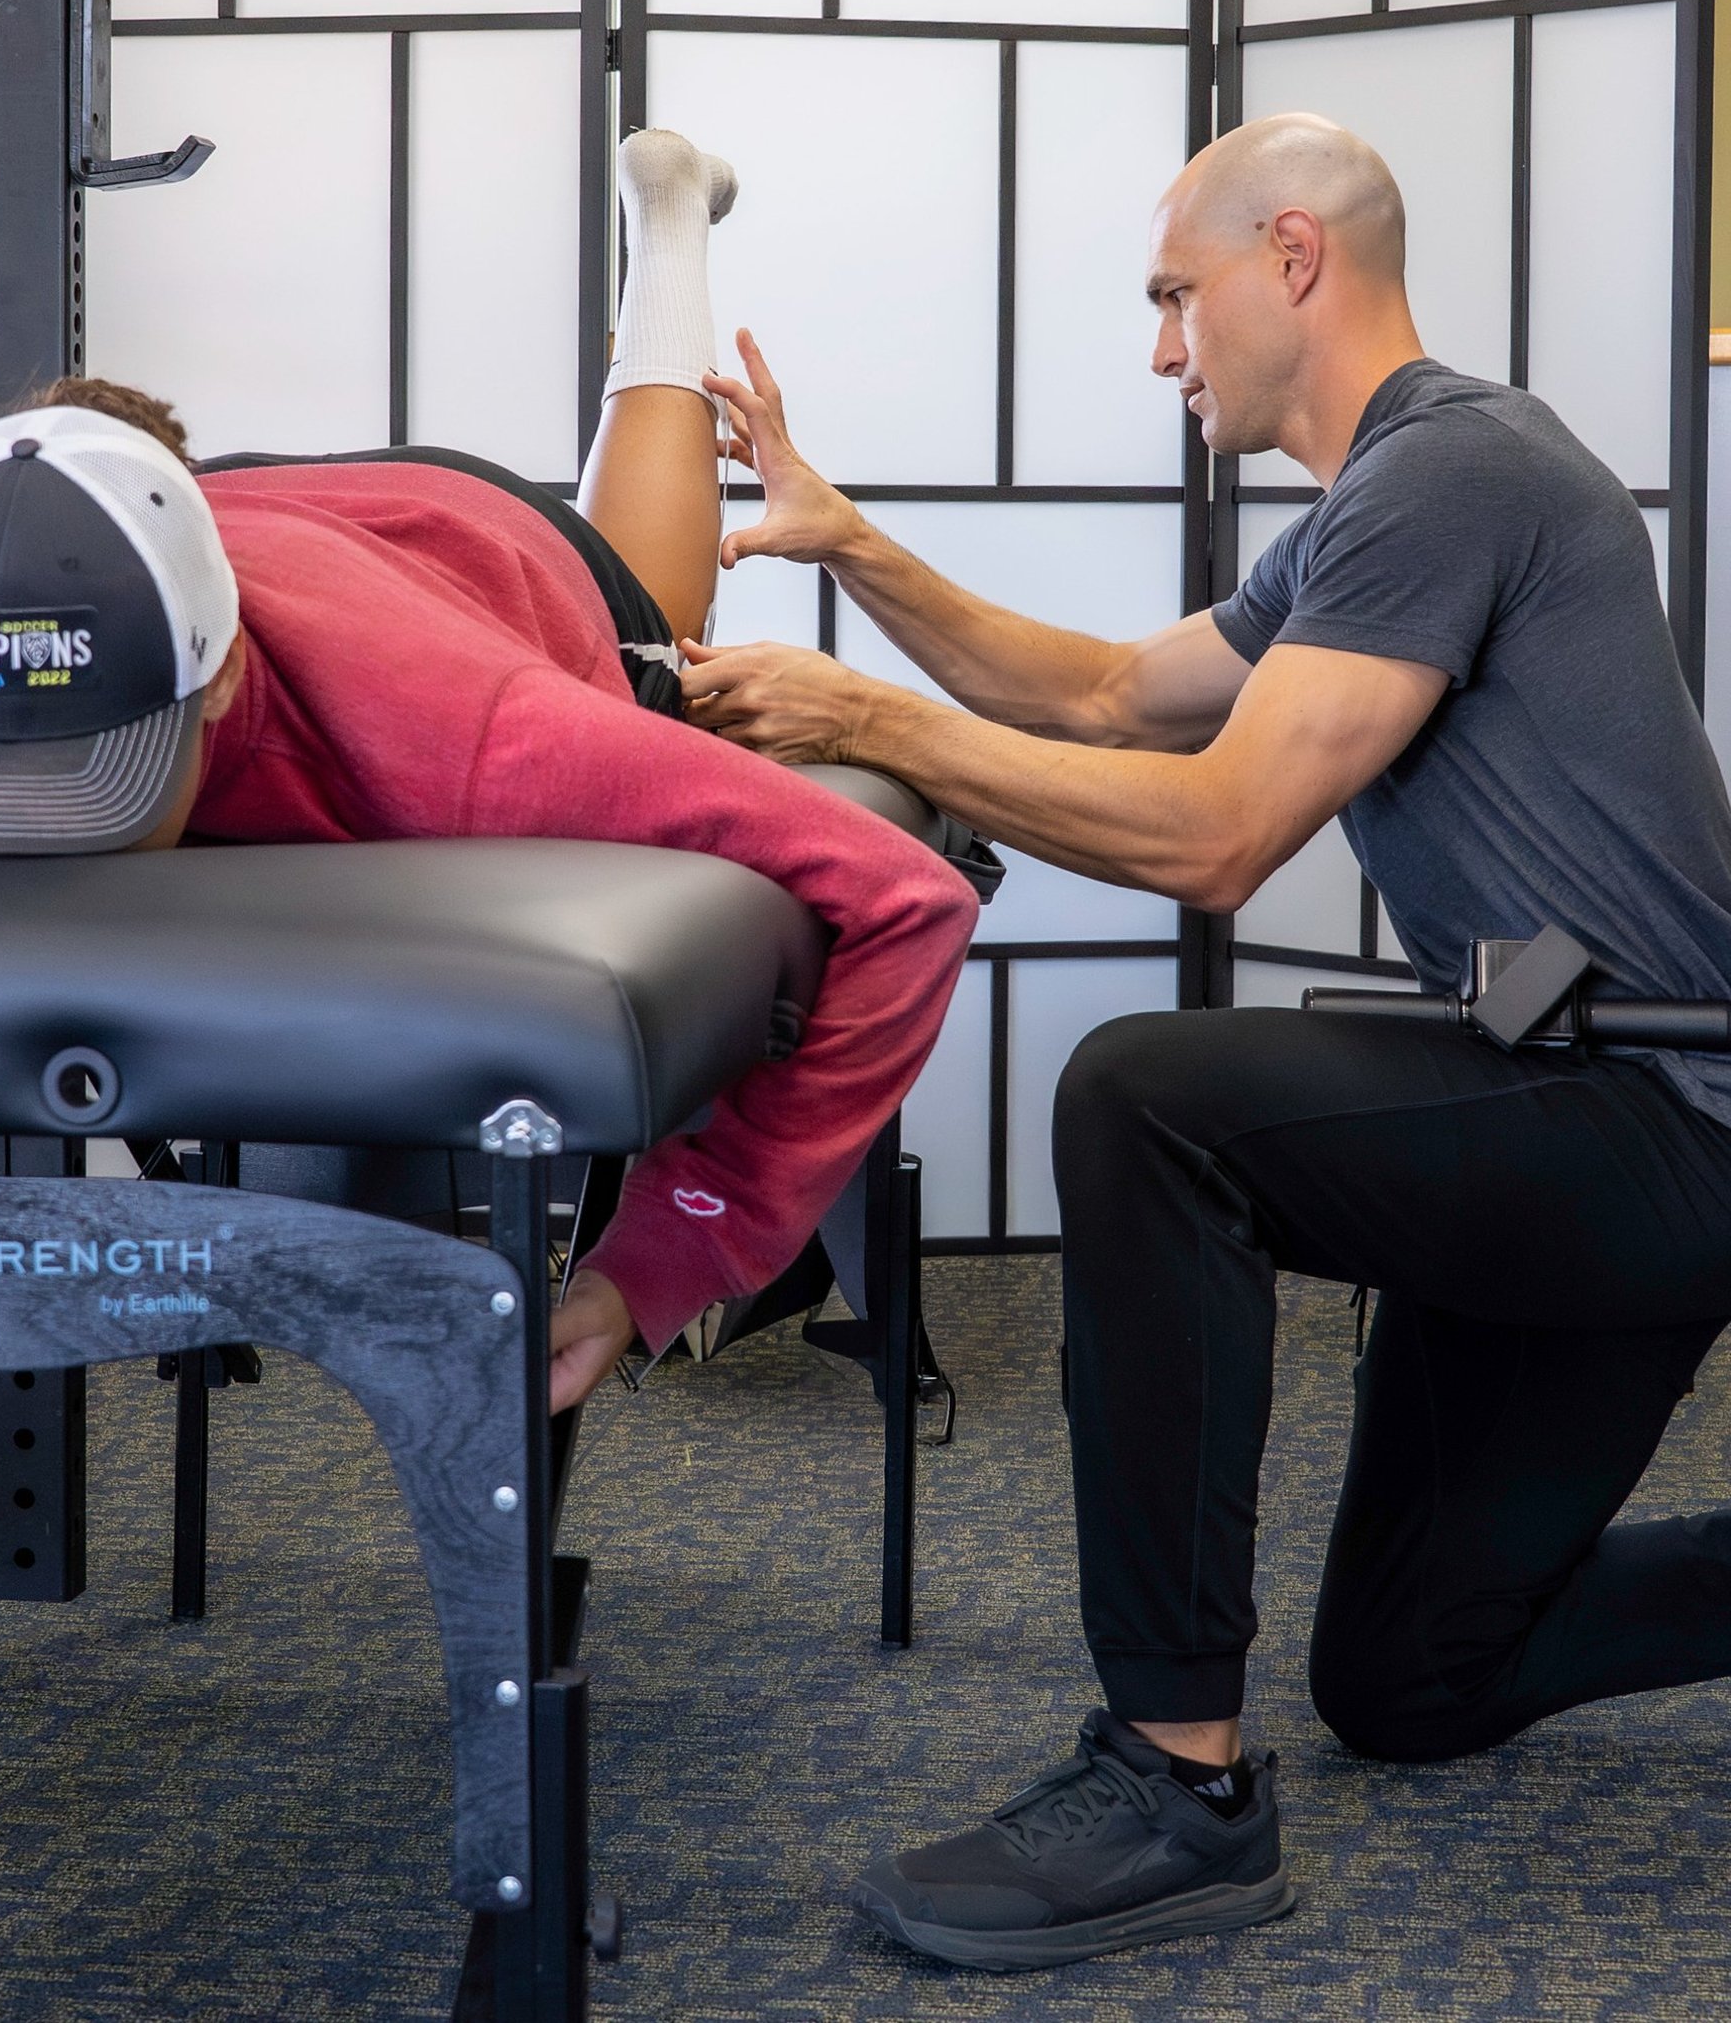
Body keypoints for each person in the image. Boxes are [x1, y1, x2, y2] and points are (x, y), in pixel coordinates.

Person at [681, 112, 1731, 1969]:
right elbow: (1103, 696)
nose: (1165, 347)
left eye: (1179, 294)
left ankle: (1177, 1783)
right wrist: (864, 558)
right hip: (1564, 1107)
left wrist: (869, 718)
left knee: (1152, 1100)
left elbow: (1217, 831)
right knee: (1417, 1680)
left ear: (1296, 258)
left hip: (1661, 1123)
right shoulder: (1378, 512)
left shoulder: (1451, 476)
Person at [0, 130, 978, 1412]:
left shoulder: (472, 732)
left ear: (221, 683)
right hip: (198, 509)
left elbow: (905, 900)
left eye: (90, 781)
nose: (36, 838)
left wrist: (662, 1258)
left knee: (657, 594)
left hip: (476, 542)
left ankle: (674, 224)